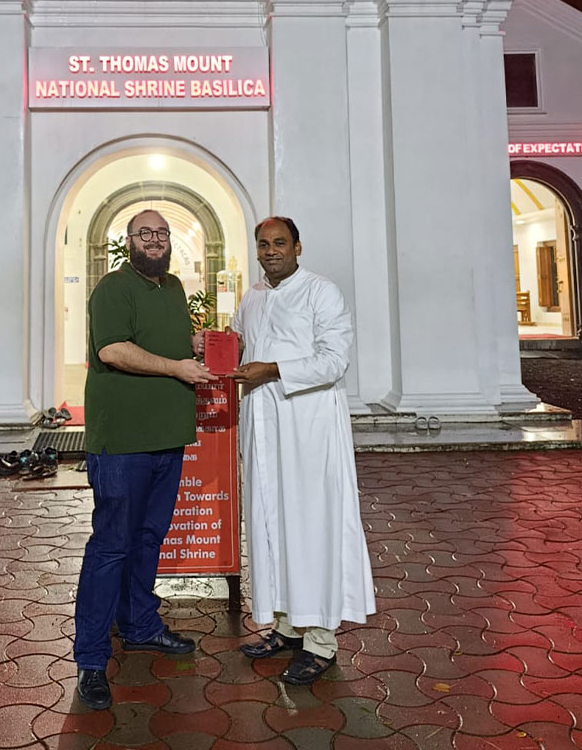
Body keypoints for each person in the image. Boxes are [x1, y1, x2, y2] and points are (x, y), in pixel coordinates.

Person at [72, 208, 218, 711]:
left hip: (167, 439)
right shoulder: (113, 287)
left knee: (148, 538)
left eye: (161, 233)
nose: (154, 240)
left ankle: (140, 626)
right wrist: (177, 366)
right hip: (123, 444)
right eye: (144, 233)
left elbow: (164, 344)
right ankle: (91, 659)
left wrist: (192, 344)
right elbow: (113, 350)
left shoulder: (174, 288)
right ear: (128, 241)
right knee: (111, 546)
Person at [227, 216, 376, 685]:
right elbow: (235, 344)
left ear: (297, 247)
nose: (270, 251)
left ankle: (321, 641)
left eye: (279, 243)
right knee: (272, 523)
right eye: (263, 244)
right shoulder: (251, 297)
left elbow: (334, 360)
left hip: (309, 427)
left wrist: (270, 370)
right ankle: (288, 626)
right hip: (263, 426)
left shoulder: (321, 291)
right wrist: (209, 346)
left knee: (312, 525)